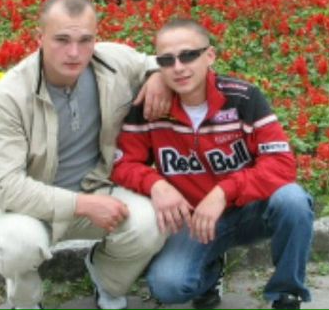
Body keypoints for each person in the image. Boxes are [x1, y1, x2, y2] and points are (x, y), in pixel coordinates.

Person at [0, 0, 171, 310]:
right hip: (36, 205)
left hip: (100, 187)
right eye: (62, 40)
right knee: (15, 245)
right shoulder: (8, 96)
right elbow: (4, 188)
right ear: (39, 38)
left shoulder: (112, 61)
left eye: (85, 40)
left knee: (151, 223)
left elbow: (162, 63)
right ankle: (25, 302)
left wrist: (158, 78)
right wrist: (81, 204)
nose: (75, 52)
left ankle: (107, 281)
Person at [111, 18, 314, 310]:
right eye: (167, 60)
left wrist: (223, 192)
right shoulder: (149, 107)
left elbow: (281, 164)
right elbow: (123, 164)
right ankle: (211, 272)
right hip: (195, 220)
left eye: (188, 55)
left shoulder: (243, 98)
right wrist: (155, 184)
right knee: (167, 286)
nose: (178, 67)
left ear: (210, 55)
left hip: (249, 209)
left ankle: (286, 293)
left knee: (293, 201)